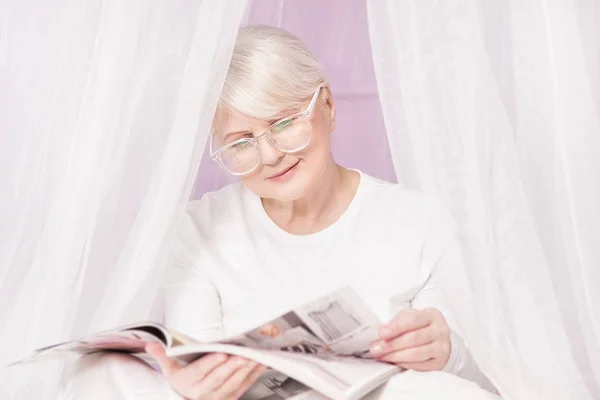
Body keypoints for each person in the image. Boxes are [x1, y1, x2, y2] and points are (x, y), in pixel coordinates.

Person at [60, 25, 499, 400]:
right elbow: (196, 353)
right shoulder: (198, 229)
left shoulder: (419, 220)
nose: (269, 156)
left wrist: (444, 350)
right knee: (100, 373)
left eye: (284, 123)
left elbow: (474, 367)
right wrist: (191, 384)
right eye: (240, 142)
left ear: (326, 105)